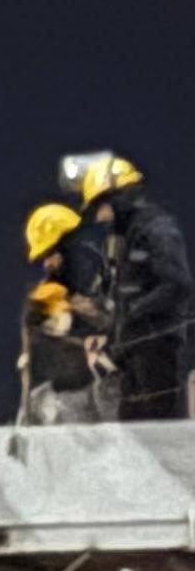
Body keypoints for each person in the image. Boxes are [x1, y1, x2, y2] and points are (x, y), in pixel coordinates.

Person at [68, 152, 195, 420]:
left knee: (160, 438)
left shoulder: (157, 229)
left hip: (159, 354)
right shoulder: (124, 241)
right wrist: (110, 335)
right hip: (133, 358)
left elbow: (178, 286)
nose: (100, 217)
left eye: (101, 206)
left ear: (119, 198)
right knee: (134, 437)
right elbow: (125, 302)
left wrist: (131, 316)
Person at [20, 198, 117, 423]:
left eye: (49, 254)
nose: (46, 265)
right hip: (71, 389)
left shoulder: (94, 269)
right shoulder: (51, 293)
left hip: (99, 387)